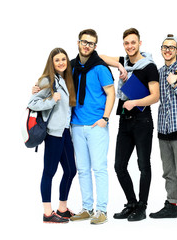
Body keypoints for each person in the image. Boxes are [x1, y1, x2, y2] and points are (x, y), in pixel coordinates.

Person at [101, 28, 160, 221]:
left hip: (143, 121)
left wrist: (135, 102)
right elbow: (100, 56)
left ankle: (142, 207)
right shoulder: (124, 61)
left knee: (143, 165)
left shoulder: (149, 66)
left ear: (140, 43)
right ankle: (131, 203)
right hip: (125, 122)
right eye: (126, 43)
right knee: (119, 166)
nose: (130, 46)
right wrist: (119, 66)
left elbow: (155, 96)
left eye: (133, 42)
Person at [69, 29, 115, 225]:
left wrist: (105, 118)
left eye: (91, 43)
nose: (86, 45)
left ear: (95, 46)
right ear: (78, 42)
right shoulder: (71, 66)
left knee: (99, 168)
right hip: (77, 125)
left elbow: (111, 93)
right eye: (84, 42)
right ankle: (87, 208)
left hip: (96, 125)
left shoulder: (100, 68)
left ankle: (101, 210)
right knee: (82, 169)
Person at [149, 34, 177, 223]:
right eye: (164, 47)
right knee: (168, 171)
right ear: (161, 50)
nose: (167, 50)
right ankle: (171, 205)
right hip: (163, 129)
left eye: (171, 47)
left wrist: (174, 82)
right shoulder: (159, 72)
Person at [28, 48, 77, 223]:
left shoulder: (64, 79)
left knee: (71, 170)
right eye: (57, 60)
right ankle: (47, 213)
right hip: (53, 134)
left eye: (64, 59)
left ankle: (62, 209)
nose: (61, 62)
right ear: (52, 62)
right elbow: (32, 103)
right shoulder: (47, 80)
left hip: (65, 132)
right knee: (49, 171)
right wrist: (51, 100)